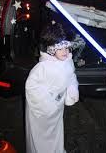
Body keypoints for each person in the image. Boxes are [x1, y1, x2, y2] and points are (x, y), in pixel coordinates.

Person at [25, 22, 79, 153]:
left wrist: (72, 90)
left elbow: (71, 76)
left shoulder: (67, 61)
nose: (65, 52)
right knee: (41, 139)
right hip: (42, 113)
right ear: (51, 49)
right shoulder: (42, 68)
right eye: (60, 48)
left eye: (67, 47)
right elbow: (32, 87)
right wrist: (49, 105)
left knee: (56, 134)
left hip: (57, 110)